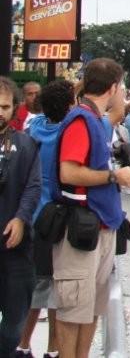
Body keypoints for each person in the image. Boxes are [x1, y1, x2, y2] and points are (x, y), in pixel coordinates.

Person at [53, 59, 130, 358]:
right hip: (81, 228)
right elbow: (68, 172)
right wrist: (115, 176)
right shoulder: (81, 120)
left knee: (90, 308)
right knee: (74, 309)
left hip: (99, 226)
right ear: (114, 87)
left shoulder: (93, 117)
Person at [16, 78, 75, 358]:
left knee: (39, 282)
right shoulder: (70, 130)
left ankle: (23, 342)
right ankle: (52, 347)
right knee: (54, 284)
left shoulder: (34, 127)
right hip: (59, 215)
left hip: (34, 214)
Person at [0, 77, 41, 357]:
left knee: (15, 321)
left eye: (4, 106)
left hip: (16, 247)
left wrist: (20, 218)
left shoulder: (25, 144)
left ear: (14, 108)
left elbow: (33, 185)